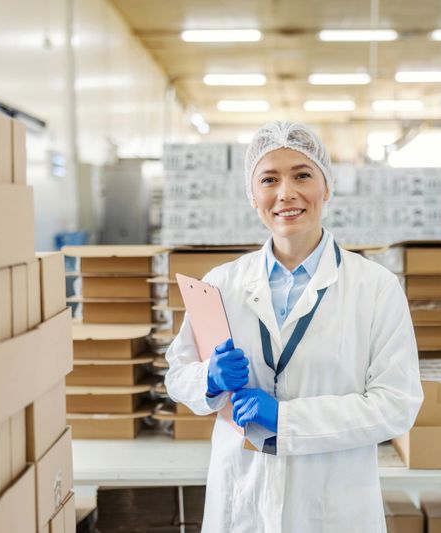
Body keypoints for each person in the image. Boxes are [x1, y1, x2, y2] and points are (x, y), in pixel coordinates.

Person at [164, 121, 423, 532]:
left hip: (332, 507)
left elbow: (397, 405)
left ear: (327, 186)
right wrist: (208, 380)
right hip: (243, 500)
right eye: (269, 179)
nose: (286, 193)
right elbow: (178, 376)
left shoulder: (375, 287)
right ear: (253, 196)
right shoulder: (220, 284)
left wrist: (286, 420)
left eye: (302, 175)